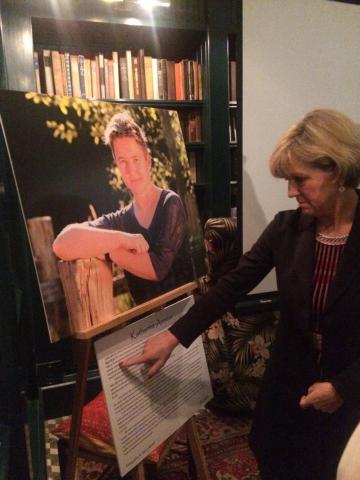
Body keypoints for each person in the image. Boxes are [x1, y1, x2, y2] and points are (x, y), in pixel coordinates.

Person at [120, 109, 360, 479]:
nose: (291, 191)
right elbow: (232, 285)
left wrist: (344, 387)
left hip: (350, 400)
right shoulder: (286, 228)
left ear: (339, 172)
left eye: (300, 179)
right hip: (287, 387)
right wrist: (173, 336)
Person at [53, 111, 193, 304]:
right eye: (123, 162)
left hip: (185, 318)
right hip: (143, 327)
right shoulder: (120, 221)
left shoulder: (170, 203)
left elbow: (157, 268)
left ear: (148, 161)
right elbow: (61, 245)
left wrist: (108, 250)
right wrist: (122, 239)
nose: (131, 170)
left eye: (135, 159)